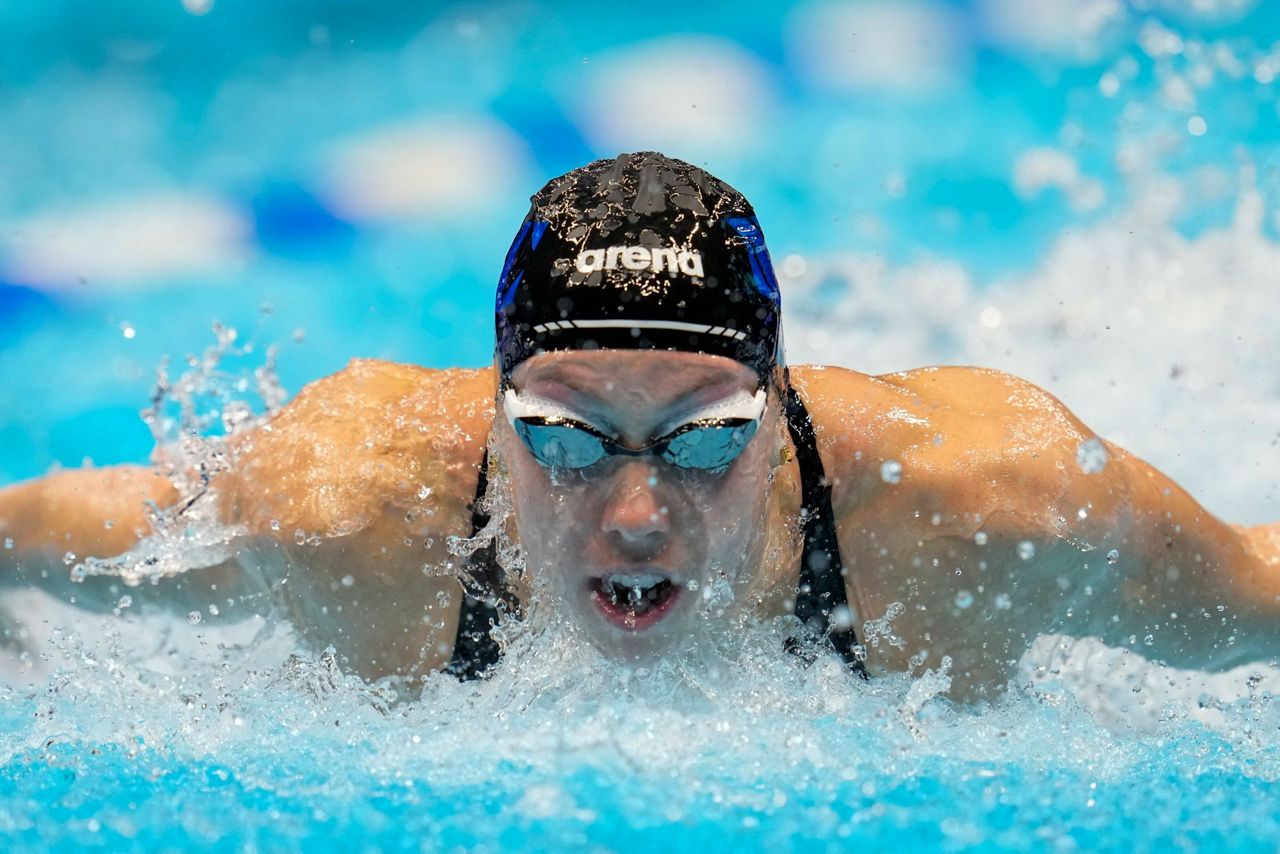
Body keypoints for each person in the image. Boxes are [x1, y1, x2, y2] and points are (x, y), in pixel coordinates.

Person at [1, 152, 1277, 699]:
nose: (630, 512)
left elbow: (1248, 606)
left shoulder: (989, 508)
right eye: (561, 438)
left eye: (704, 436)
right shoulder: (346, 507)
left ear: (777, 415)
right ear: (498, 420)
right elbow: (85, 531)